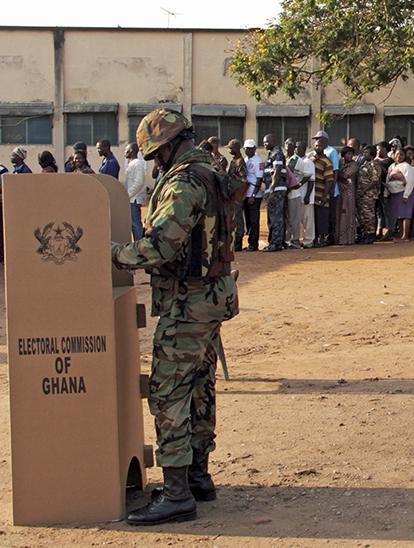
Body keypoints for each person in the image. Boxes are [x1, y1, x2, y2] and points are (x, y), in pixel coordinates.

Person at [111, 109, 246, 526]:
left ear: (169, 144)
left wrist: (115, 254)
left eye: (155, 154)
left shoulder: (185, 181)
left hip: (189, 303)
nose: (154, 162)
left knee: (169, 393)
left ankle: (176, 494)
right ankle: (198, 476)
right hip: (211, 295)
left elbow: (161, 246)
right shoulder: (210, 170)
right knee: (200, 386)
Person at [262, 134, 287, 252]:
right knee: (273, 217)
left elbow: (276, 173)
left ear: (273, 141)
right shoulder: (272, 153)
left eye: (266, 142)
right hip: (272, 189)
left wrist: (271, 190)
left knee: (276, 217)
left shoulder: (277, 154)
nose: (264, 144)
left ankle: (276, 244)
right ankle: (274, 241)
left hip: (276, 190)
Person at [387, 144, 414, 242]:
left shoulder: (406, 167)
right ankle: (400, 235)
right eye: (398, 154)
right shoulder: (392, 166)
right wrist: (385, 194)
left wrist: (406, 195)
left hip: (403, 193)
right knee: (398, 216)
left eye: (402, 155)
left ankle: (405, 236)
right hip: (394, 194)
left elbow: (410, 181)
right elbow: (388, 180)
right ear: (394, 155)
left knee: (405, 215)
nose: (399, 156)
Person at [311, 134, 335, 248]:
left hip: (322, 195)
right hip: (312, 196)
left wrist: (325, 195)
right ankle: (314, 239)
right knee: (314, 218)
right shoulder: (311, 160)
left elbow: (328, 180)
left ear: (325, 146)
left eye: (320, 146)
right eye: (316, 146)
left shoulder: (327, 162)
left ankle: (322, 239)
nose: (317, 147)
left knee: (322, 218)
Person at [355, 144, 381, 245]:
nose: (364, 154)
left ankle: (370, 235)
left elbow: (375, 180)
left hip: (368, 195)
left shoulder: (373, 165)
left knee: (368, 215)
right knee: (362, 216)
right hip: (361, 195)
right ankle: (364, 235)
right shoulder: (364, 164)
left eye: (366, 153)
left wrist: (364, 190)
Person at [333, 146, 359, 245]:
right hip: (340, 190)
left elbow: (345, 176)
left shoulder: (354, 164)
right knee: (338, 214)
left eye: (351, 154)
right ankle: (338, 239)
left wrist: (337, 173)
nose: (350, 156)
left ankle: (348, 239)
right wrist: (339, 175)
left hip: (349, 192)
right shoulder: (340, 162)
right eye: (348, 153)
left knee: (348, 215)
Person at [225, 139, 247, 251]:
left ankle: (238, 242)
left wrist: (233, 179)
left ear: (237, 149)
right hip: (233, 194)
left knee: (238, 219)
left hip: (238, 193)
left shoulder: (240, 162)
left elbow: (243, 177)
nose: (229, 150)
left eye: (231, 148)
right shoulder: (234, 160)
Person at [242, 138, 264, 251]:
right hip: (246, 194)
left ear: (255, 149)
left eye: (250, 149)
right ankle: (250, 242)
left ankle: (254, 243)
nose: (248, 151)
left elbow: (259, 180)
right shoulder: (245, 160)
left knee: (254, 220)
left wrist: (253, 195)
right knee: (248, 220)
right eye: (246, 149)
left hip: (254, 195)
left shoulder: (258, 161)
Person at [125, 143, 148, 241]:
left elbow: (139, 182)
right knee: (132, 223)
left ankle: (138, 244)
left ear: (131, 151)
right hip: (131, 198)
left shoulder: (137, 163)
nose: (124, 152)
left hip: (134, 199)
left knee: (135, 223)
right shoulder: (132, 163)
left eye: (126, 150)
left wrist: (128, 194)